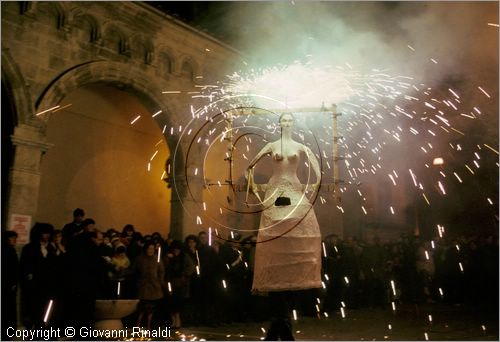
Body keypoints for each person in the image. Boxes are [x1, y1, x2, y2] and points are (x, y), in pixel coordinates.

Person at [246, 112, 322, 340]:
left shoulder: (300, 146)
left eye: (290, 120)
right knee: (274, 236)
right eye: (284, 120)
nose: (287, 123)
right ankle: (281, 322)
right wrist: (252, 187)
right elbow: (250, 165)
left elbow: (316, 166)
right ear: (279, 123)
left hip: (294, 190)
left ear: (293, 123)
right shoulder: (271, 145)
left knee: (302, 230)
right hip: (275, 191)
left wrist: (314, 184)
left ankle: (282, 319)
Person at [2, 231, 19, 338]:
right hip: (7, 285)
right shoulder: (7, 251)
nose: (14, 240)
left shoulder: (10, 250)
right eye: (12, 238)